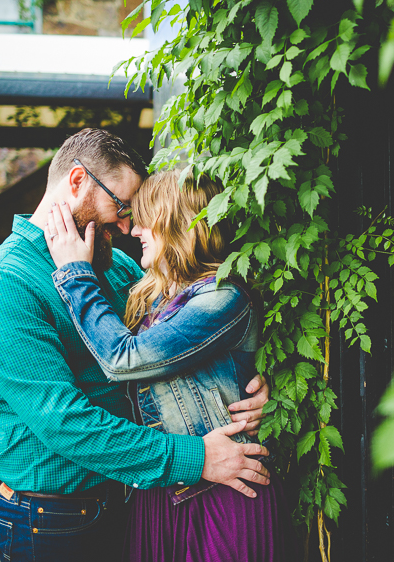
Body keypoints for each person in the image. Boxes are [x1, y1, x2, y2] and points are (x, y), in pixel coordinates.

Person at [0, 129, 270, 562]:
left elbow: (177, 343)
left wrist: (245, 386)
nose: (127, 226)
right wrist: (195, 458)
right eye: (121, 206)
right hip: (53, 518)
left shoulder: (116, 264)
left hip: (137, 500)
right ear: (77, 181)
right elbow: (65, 423)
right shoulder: (2, 284)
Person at [44, 168, 295, 561]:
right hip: (163, 490)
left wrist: (74, 273)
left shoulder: (222, 297)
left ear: (179, 223)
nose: (133, 229)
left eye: (145, 217)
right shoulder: (154, 294)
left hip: (223, 491)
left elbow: (122, 358)